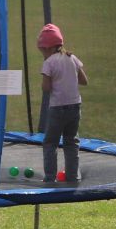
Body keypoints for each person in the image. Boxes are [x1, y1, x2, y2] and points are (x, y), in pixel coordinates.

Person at [38, 23, 87, 184]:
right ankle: (74, 177)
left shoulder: (49, 63)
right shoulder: (71, 58)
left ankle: (50, 178)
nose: (42, 53)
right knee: (71, 141)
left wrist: (50, 81)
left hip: (57, 108)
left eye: (43, 50)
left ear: (49, 48)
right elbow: (84, 81)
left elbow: (46, 88)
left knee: (50, 142)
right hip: (75, 107)